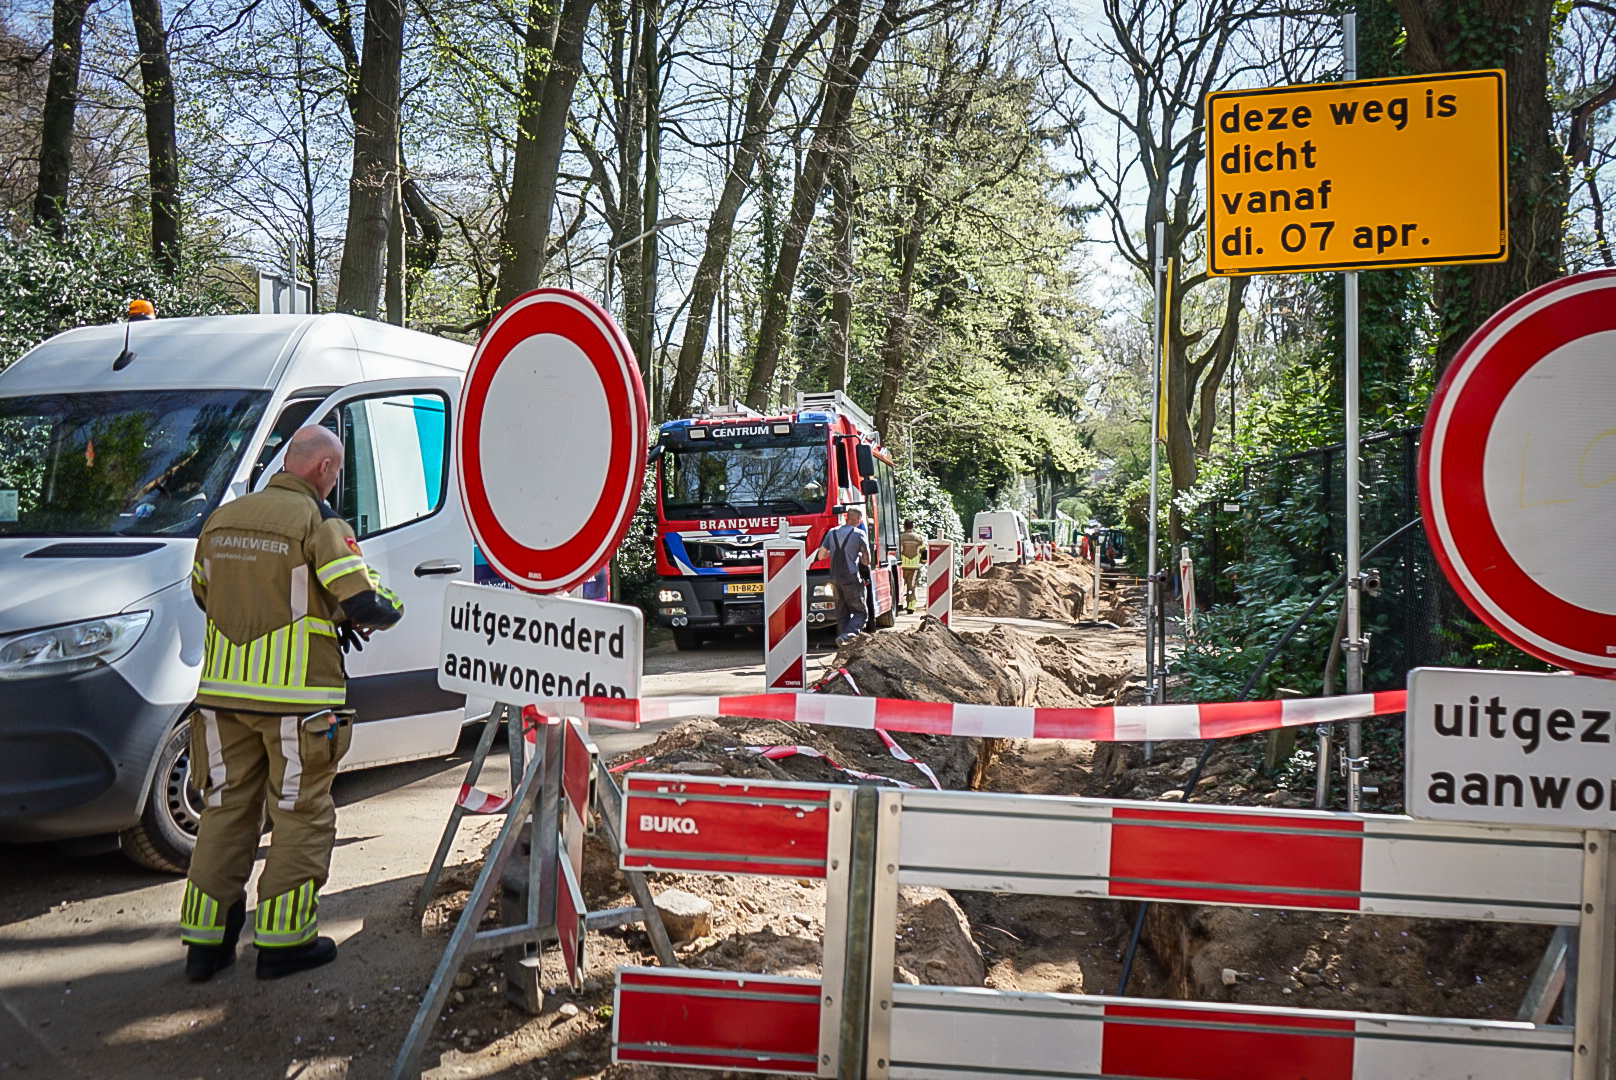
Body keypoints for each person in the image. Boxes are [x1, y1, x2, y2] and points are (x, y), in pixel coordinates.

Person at [179, 426, 404, 982]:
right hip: (298, 704)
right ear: (325, 469)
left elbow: (203, 591)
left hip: (222, 699)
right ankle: (283, 943)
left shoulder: (223, 519)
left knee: (225, 811)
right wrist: (368, 611)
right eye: (338, 473)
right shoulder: (318, 522)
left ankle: (205, 946)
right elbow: (366, 601)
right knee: (299, 813)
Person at [813, 505, 871, 645]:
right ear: (858, 519)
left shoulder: (832, 532)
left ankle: (843, 644)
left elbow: (820, 555)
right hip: (850, 577)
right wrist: (859, 557)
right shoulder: (859, 534)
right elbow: (866, 558)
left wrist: (831, 552)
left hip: (834, 579)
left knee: (842, 613)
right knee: (860, 613)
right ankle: (848, 636)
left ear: (846, 518)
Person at [898, 519, 925, 614]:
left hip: (901, 567)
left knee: (899, 586)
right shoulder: (918, 538)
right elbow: (924, 552)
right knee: (911, 587)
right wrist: (922, 561)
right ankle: (911, 607)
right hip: (914, 567)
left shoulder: (899, 537)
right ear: (913, 526)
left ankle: (899, 605)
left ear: (904, 526)